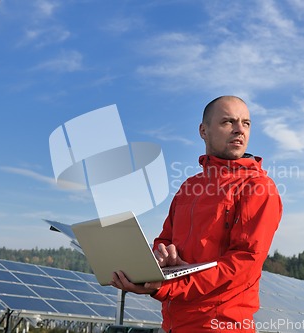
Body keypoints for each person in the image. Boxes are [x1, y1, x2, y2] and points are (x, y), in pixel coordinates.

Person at [111, 96, 282, 333]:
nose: (239, 130)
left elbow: (243, 265)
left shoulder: (258, 187)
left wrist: (163, 286)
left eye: (246, 123)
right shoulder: (189, 187)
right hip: (173, 324)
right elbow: (164, 240)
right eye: (228, 122)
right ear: (203, 130)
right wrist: (156, 262)